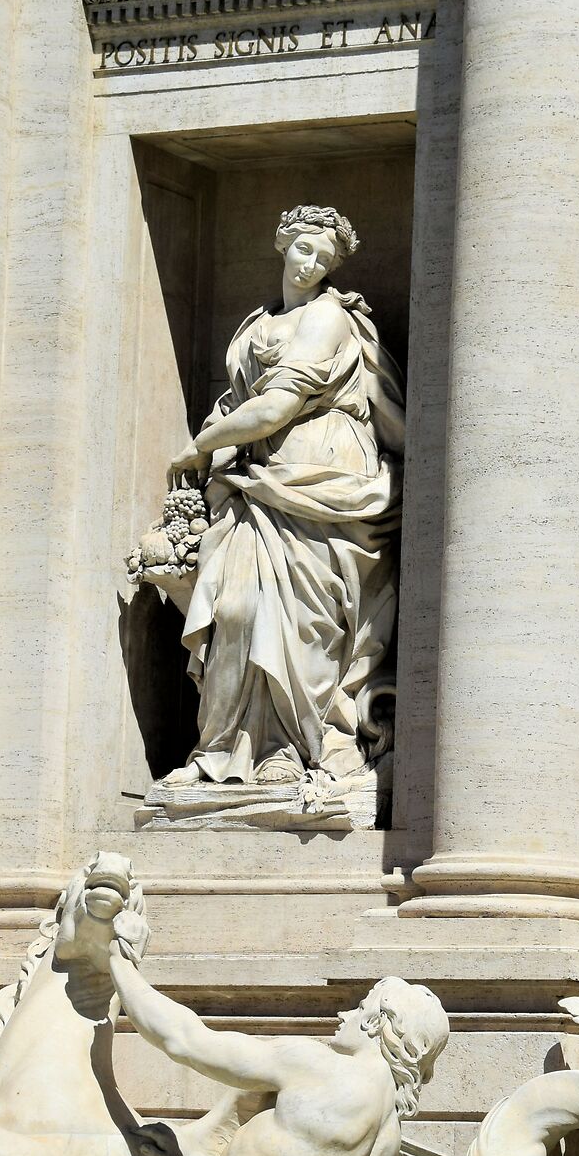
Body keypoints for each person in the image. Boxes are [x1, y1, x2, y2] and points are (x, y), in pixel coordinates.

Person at [163, 204, 404, 792]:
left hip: (320, 476)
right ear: (283, 243)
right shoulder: (257, 321)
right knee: (236, 609)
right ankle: (222, 750)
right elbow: (242, 401)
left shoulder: (328, 317)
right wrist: (220, 440)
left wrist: (198, 447)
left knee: (304, 620)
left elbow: (276, 406)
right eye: (304, 249)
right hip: (257, 476)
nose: (311, 264)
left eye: (325, 258)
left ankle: (292, 751)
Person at [100, 949, 448, 1156]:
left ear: (379, 1022)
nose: (345, 1015)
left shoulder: (320, 1068)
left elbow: (184, 1040)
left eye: (359, 1008)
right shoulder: (389, 1139)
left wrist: (117, 960)